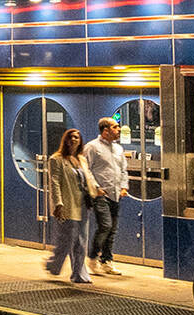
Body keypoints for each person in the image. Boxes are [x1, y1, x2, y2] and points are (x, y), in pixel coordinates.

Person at [44, 127, 100, 283]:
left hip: (83, 204)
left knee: (82, 241)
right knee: (68, 240)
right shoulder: (56, 159)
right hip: (67, 205)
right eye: (71, 137)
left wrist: (96, 189)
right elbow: (54, 183)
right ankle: (53, 265)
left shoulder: (81, 159)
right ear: (66, 140)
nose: (74, 140)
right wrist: (58, 204)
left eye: (77, 137)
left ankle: (79, 274)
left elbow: (88, 177)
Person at [83, 116, 130, 275]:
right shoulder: (92, 147)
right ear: (105, 130)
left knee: (113, 229)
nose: (118, 130)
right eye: (115, 127)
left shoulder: (118, 149)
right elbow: (86, 169)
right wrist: (95, 188)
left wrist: (124, 186)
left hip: (116, 193)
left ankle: (107, 261)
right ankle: (92, 257)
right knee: (106, 226)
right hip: (100, 194)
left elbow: (123, 169)